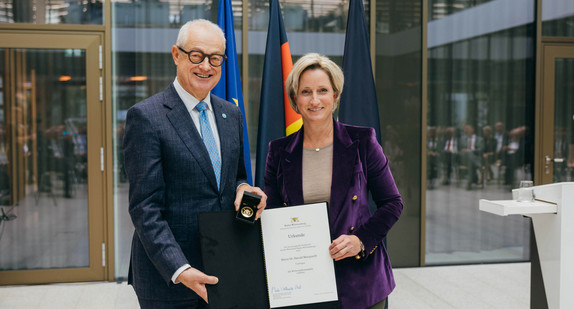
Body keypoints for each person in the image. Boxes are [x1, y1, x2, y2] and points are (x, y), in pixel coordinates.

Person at [123, 19, 266, 309]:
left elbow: (235, 176)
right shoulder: (147, 117)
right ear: (177, 54)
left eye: (215, 58)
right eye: (196, 55)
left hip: (223, 265)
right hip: (170, 278)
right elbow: (144, 207)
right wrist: (180, 269)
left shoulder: (231, 114)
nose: (206, 66)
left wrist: (243, 189)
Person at [263, 53, 403, 309]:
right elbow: (272, 214)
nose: (314, 100)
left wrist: (360, 240)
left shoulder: (363, 141)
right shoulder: (279, 152)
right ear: (295, 99)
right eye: (305, 92)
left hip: (361, 283)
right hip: (302, 286)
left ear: (335, 96)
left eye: (323, 90)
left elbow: (392, 203)